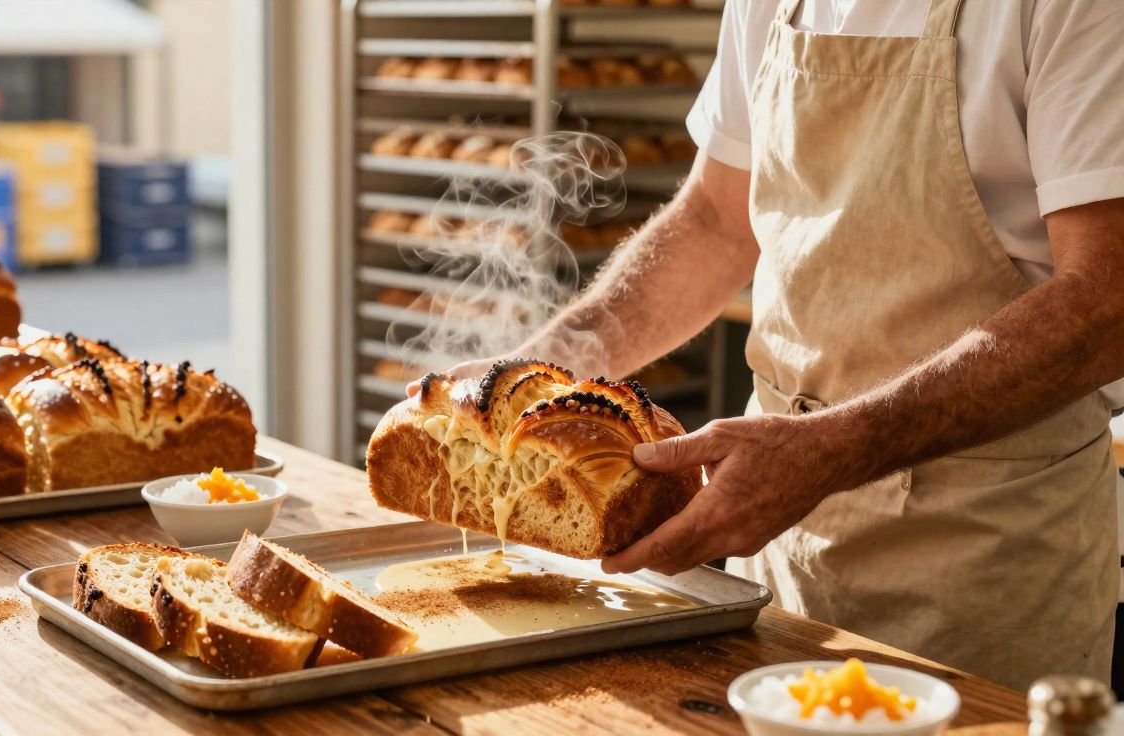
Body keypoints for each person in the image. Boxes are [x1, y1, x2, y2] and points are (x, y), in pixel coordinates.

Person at [410, 0, 1124, 690]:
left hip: (986, 553)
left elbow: (1109, 299)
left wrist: (831, 448)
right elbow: (717, 220)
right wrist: (543, 372)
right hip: (782, 544)